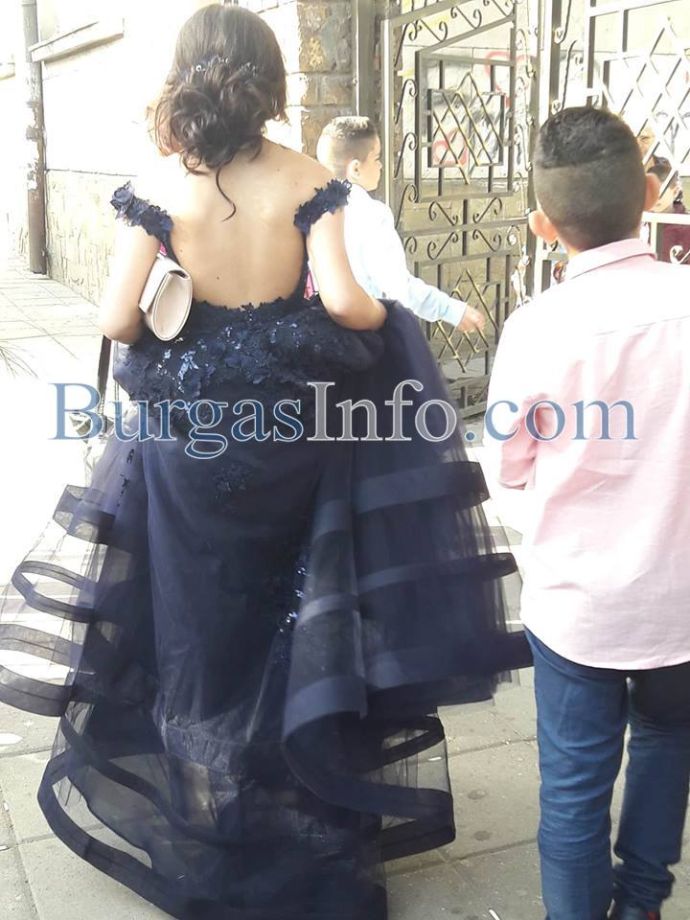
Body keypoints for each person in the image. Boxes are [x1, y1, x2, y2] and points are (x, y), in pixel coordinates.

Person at [0, 6, 530, 919]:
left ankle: (205, 812)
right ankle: (297, 800)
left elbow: (117, 319)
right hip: (292, 433)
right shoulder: (308, 178)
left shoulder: (159, 181)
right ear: (268, 80)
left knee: (197, 622)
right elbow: (354, 307)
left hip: (190, 439)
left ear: (187, 76)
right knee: (290, 616)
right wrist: (367, 317)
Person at [484, 106, 690, 920]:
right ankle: (642, 904)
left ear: (543, 224)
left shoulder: (537, 329)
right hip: (682, 601)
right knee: (669, 744)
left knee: (572, 785)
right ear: (650, 195)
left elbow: (506, 464)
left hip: (578, 606)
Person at [316, 116, 485, 334]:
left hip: (319, 330)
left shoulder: (312, 209)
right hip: (363, 334)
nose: (381, 166)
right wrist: (451, 310)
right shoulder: (371, 215)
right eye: (376, 158)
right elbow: (399, 288)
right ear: (355, 168)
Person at [646, 157, 690, 264]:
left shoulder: (685, 226)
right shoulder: (642, 222)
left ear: (675, 191)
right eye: (650, 190)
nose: (656, 197)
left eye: (661, 191)